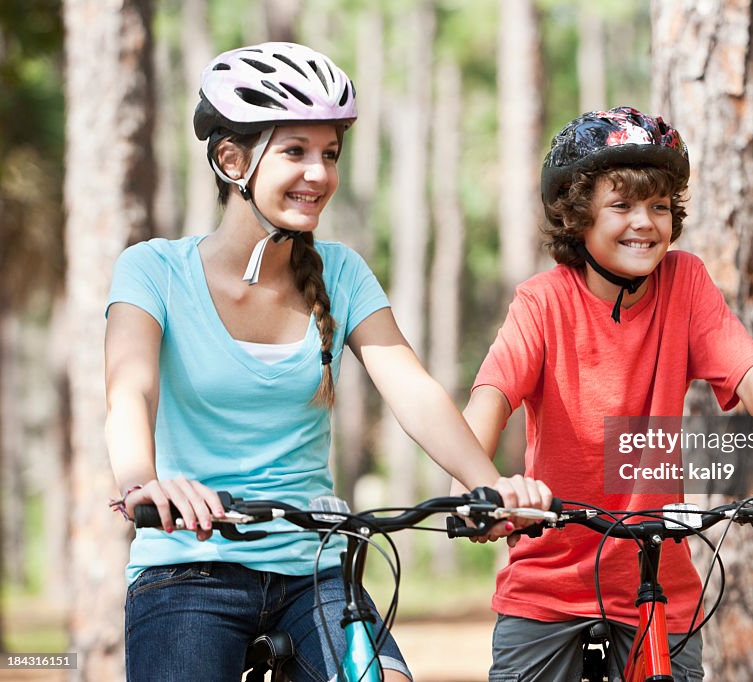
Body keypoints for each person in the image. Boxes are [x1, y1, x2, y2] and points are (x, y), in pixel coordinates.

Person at [104, 41, 550, 682]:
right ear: (232, 160)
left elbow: (411, 387)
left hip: (313, 569)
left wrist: (487, 486)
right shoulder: (153, 269)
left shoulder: (340, 272)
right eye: (295, 152)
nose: (319, 174)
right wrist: (144, 484)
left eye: (330, 155)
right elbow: (129, 391)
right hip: (188, 566)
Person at [459, 106, 753, 681]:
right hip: (549, 581)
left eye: (658, 206)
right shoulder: (543, 302)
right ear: (577, 218)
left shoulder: (685, 284)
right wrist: (477, 490)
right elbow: (490, 397)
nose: (645, 222)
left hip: (656, 577)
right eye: (622, 205)